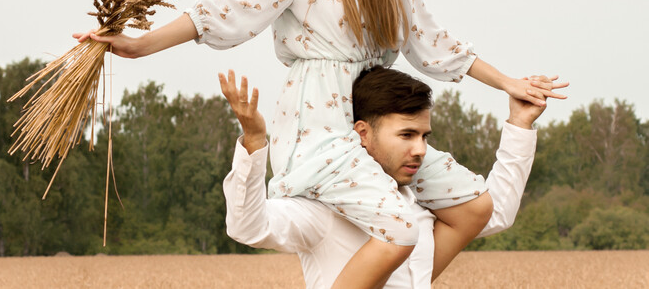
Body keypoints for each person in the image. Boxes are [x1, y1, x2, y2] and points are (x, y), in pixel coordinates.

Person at [75, 0, 567, 288]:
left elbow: (426, 37)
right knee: (398, 227)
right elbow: (230, 10)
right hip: (319, 123)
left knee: (476, 207)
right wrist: (142, 45)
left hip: (376, 109)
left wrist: (507, 84)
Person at [220, 67, 556, 288]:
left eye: (425, 136)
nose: (421, 149)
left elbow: (494, 213)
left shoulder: (420, 211)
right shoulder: (323, 212)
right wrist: (253, 143)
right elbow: (248, 226)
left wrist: (519, 125)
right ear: (362, 133)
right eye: (407, 135)